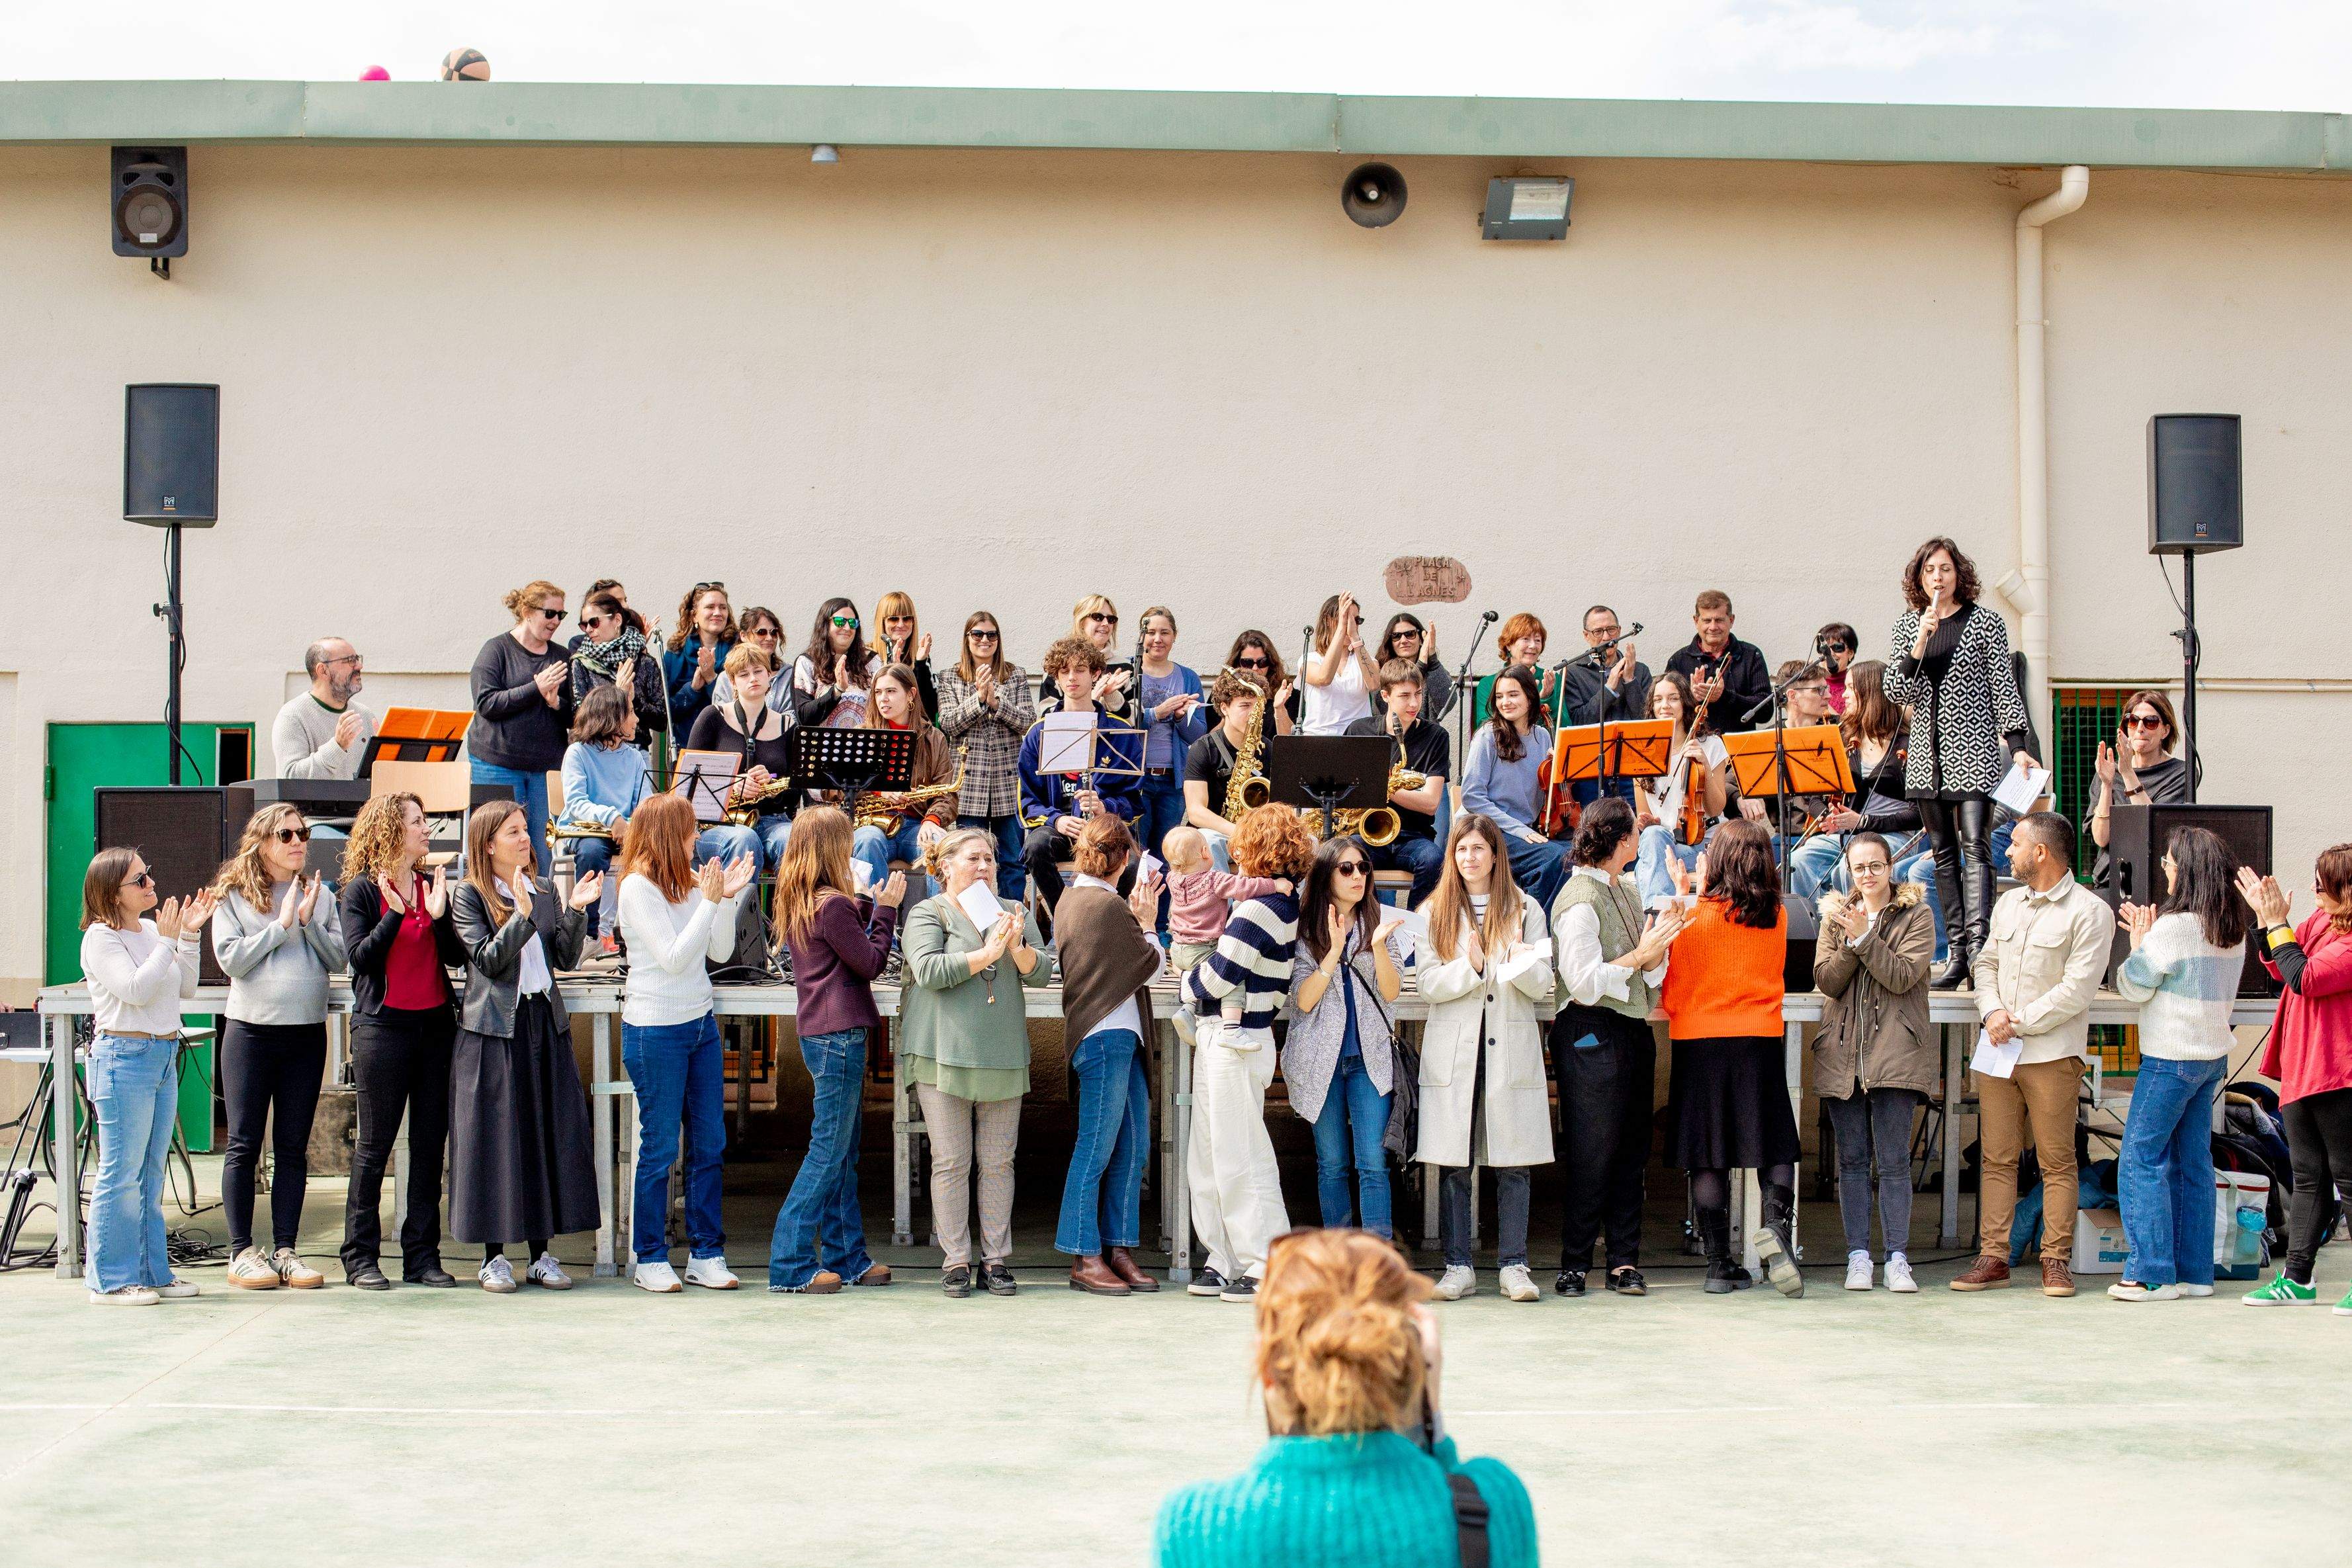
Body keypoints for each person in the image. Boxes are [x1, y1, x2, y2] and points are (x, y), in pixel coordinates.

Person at [1151, 1228, 1538, 1568]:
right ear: (1416, 1362)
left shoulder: (1196, 1526)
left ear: (1269, 1371)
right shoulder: (1493, 1504)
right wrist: (1431, 1422)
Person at [447, 800, 603, 1294]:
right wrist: (520, 916)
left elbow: (564, 955)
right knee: (497, 1141)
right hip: (494, 1030)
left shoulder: (541, 888)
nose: (524, 839)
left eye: (525, 830)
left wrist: (575, 907)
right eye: (513, 832)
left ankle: (542, 1255)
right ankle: (494, 1258)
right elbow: (488, 962)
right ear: (488, 843)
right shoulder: (468, 895)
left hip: (543, 1022)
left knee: (544, 1134)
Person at [1953, 811, 2110, 1298]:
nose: (2007, 851)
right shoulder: (2008, 904)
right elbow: (1985, 963)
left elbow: (2076, 991)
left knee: (2056, 1161)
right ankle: (1993, 1257)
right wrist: (1991, 1012)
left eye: (2015, 843)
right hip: (1999, 1048)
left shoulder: (2089, 912)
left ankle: (2054, 1259)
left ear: (2039, 852)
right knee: (1996, 1159)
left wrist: (2012, 1021)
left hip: (2049, 1055)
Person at [615, 793, 756, 1293]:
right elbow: (674, 958)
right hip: (654, 1029)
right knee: (657, 1148)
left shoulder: (689, 883)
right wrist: (711, 901)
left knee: (709, 1144)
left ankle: (706, 1252)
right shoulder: (636, 888)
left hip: (699, 1025)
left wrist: (727, 897)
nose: (698, 837)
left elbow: (716, 949)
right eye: (691, 829)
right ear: (667, 834)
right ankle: (649, 1255)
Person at [900, 828, 1049, 1297]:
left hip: (1002, 1053)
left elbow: (1043, 972)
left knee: (999, 1163)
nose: (984, 867)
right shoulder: (928, 912)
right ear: (944, 866)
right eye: (973, 859)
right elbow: (927, 970)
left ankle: (996, 1260)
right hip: (942, 1054)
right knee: (950, 1161)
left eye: (990, 859)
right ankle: (956, 1260)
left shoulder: (1012, 911)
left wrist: (1017, 949)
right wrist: (985, 953)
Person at [1882, 537, 2035, 988]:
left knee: (1975, 847)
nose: (1937, 577)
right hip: (1925, 757)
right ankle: (1957, 956)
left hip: (1973, 751)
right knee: (1942, 853)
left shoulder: (1985, 623)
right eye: (1929, 570)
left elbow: (2003, 687)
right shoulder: (1906, 626)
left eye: (1945, 569)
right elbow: (1895, 690)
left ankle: (1979, 950)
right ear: (1918, 577)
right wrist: (1918, 641)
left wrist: (2019, 744)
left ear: (1958, 574)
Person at [1414, 813, 1555, 1303]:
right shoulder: (1434, 910)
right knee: (1456, 1162)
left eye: (1478, 849)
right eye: (1461, 850)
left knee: (1512, 1161)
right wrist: (1470, 966)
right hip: (1456, 1050)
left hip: (1507, 1045)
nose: (1469, 858)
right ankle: (1458, 1266)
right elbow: (1428, 985)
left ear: (1496, 854)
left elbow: (1543, 987)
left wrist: (1518, 960)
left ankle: (1514, 1265)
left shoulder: (1525, 908)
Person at [1659, 818, 1801, 1296]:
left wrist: (1690, 893)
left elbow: (1673, 985)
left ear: (1715, 860)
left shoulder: (1690, 914)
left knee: (1707, 1155)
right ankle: (1776, 1230)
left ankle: (1718, 1264)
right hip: (1757, 1038)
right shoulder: (1776, 915)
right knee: (1775, 1146)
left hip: (1698, 1040)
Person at [2108, 826, 2249, 1301]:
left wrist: (2139, 942)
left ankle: (2149, 1273)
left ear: (2185, 871)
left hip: (2170, 1058)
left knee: (2139, 1158)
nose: (2165, 870)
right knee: (2193, 1162)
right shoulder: (2232, 929)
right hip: (2209, 1059)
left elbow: (2132, 986)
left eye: (2169, 863)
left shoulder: (2172, 928)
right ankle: (2193, 1274)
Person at [767, 806, 904, 1293]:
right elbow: (868, 962)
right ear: (833, 848)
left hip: (821, 1033)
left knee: (841, 1155)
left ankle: (848, 1258)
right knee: (828, 1154)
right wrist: (886, 910)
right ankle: (790, 1263)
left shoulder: (808, 900)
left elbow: (846, 941)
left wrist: (866, 904)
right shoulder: (832, 904)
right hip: (840, 1034)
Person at [1182, 805, 1315, 1303]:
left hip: (1237, 1039)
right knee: (1214, 1154)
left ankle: (1264, 1261)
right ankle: (1226, 1258)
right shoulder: (1277, 903)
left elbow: (1216, 978)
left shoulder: (1259, 908)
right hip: (1231, 1036)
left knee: (1238, 1154)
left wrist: (1186, 987)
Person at [1549, 799, 1682, 1299]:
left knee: (1630, 1149)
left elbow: (1647, 971)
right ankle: (1574, 1263)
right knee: (1592, 1149)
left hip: (1629, 1028)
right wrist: (1640, 956)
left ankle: (1624, 1261)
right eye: (1634, 834)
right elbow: (1582, 984)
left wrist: (1655, 952)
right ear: (1621, 841)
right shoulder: (1580, 898)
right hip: (1588, 1030)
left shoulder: (1623, 889)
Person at [210, 803, 345, 1290]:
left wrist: (307, 923)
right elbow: (231, 962)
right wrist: (280, 927)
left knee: (292, 1147)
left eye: (302, 833)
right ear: (262, 841)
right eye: (286, 834)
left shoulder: (319, 894)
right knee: (245, 1144)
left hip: (305, 1033)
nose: (297, 842)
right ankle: (241, 1251)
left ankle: (286, 1249)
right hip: (251, 1033)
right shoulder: (234, 896)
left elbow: (340, 957)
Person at [336, 793, 465, 1290]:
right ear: (391, 831)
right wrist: (394, 915)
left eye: (425, 821)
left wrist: (437, 915)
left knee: (430, 1147)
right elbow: (361, 959)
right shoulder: (362, 892)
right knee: (375, 1147)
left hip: (434, 1028)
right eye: (416, 822)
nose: (426, 829)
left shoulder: (430, 884)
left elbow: (456, 957)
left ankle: (422, 1257)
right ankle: (360, 1257)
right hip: (382, 1030)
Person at [79, 849, 215, 1304]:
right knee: (121, 1172)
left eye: (148, 874)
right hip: (123, 1057)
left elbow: (185, 987)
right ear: (112, 894)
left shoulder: (155, 931)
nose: (150, 883)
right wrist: (168, 945)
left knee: (151, 1170)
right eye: (139, 880)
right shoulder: (101, 938)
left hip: (159, 1054)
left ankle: (154, 1271)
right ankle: (110, 1281)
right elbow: (135, 990)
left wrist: (189, 938)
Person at [1811, 832, 1935, 1294]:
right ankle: (1858, 1257)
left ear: (1890, 867)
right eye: (1858, 868)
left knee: (1893, 1162)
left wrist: (1865, 936)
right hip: (1843, 1054)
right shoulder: (1833, 917)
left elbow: (1902, 976)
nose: (1867, 875)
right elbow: (1826, 980)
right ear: (1848, 871)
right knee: (1851, 1161)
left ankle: (1898, 1258)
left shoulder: (1916, 915)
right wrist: (1850, 937)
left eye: (1875, 866)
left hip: (1895, 1054)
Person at [1051, 815, 1167, 1295]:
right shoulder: (1104, 905)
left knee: (1130, 1146)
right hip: (1106, 1036)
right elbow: (1151, 968)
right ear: (1123, 859)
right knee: (1099, 1148)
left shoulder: (1072, 898)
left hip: (1115, 1036)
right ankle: (1085, 1255)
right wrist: (1148, 924)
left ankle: (1116, 1249)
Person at [2238, 846, 2352, 1307]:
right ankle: (2297, 1278)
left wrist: (2277, 924)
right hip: (2302, 1069)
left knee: (2348, 1177)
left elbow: (2303, 977)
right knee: (2307, 1177)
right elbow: (2278, 966)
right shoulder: (2321, 924)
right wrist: (2269, 921)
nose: (2314, 890)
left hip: (2338, 1072)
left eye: (2323, 883)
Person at [1288, 836, 1407, 1242]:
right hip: (1320, 1060)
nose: (1358, 876)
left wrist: (1378, 949)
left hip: (1369, 1060)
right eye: (1346, 869)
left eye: (1363, 868)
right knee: (1333, 1163)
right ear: (1326, 876)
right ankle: (1338, 1258)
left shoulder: (1378, 923)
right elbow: (1303, 1002)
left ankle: (1378, 1257)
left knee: (1374, 1163)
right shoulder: (1305, 930)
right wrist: (1332, 953)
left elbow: (1391, 993)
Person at [1019, 636, 1143, 937]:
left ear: (1095, 674)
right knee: (1036, 847)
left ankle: (1105, 927)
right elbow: (1027, 802)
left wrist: (1106, 807)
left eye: (1080, 670)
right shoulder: (1039, 732)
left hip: (1104, 830)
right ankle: (1069, 921)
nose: (1072, 678)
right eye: (1064, 672)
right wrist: (1057, 820)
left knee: (1133, 863)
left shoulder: (1120, 731)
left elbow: (1136, 800)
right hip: (1062, 829)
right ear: (1056, 678)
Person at [1787, 659, 1931, 908]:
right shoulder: (1845, 739)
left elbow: (1920, 814)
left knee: (1850, 869)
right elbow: (1813, 793)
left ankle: (1859, 936)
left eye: (1850, 688)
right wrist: (1826, 816)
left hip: (1894, 835)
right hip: (1848, 833)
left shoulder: (1908, 744)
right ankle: (1817, 934)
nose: (1843, 695)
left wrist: (1864, 822)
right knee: (1796, 863)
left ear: (1870, 693)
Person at [469, 580, 576, 874]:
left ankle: (541, 912)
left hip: (544, 768)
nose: (556, 622)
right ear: (527, 611)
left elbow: (575, 717)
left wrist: (555, 703)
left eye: (561, 616)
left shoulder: (561, 656)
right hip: (498, 763)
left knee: (540, 848)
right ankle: (494, 909)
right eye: (550, 614)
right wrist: (535, 688)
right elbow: (486, 702)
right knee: (497, 845)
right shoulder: (497, 650)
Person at [936, 610, 1039, 903]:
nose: (985, 640)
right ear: (967, 639)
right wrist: (979, 699)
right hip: (969, 784)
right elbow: (949, 723)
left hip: (1008, 782)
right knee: (969, 863)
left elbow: (1028, 722)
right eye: (978, 634)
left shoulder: (1015, 675)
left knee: (1012, 862)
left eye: (991, 634)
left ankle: (1012, 922)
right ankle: (974, 921)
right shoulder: (949, 677)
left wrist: (996, 701)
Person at [1459, 664, 1568, 911]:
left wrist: (1559, 771)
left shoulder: (1543, 736)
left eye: (1513, 695)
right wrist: (1519, 830)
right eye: (1499, 696)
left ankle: (1546, 926)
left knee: (1575, 854)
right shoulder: (1488, 735)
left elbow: (1544, 795)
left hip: (1525, 829)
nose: (1505, 702)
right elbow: (1472, 797)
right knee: (1552, 857)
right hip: (1489, 830)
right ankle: (1535, 930)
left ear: (1531, 697)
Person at [1344, 660, 1450, 907]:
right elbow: (1346, 792)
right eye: (1405, 696)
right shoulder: (1360, 730)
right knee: (1345, 856)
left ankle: (1414, 932)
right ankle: (1366, 928)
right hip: (1366, 834)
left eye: (1418, 694)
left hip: (1413, 837)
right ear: (1385, 695)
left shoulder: (1436, 737)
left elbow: (1431, 803)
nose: (1414, 703)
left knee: (1434, 860)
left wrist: (1382, 785)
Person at [849, 663, 958, 905]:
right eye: (878, 693)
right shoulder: (863, 735)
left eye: (891, 691)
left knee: (941, 845)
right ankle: (871, 931)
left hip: (916, 826)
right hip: (873, 823)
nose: (883, 699)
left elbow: (946, 794)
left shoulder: (934, 738)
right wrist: (879, 790)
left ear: (910, 695)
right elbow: (840, 790)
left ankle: (939, 926)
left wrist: (933, 820)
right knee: (867, 840)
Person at [686, 644, 797, 873]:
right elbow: (689, 784)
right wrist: (733, 785)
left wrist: (772, 781)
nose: (753, 679)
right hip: (719, 823)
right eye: (743, 674)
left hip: (773, 820)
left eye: (758, 672)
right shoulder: (712, 717)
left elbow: (794, 791)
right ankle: (739, 910)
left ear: (769, 676)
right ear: (733, 682)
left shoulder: (788, 726)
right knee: (745, 840)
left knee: (793, 840)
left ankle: (789, 909)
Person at [557, 684, 653, 939]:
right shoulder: (578, 753)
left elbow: (643, 804)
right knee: (592, 851)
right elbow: (576, 802)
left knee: (657, 849)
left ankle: (640, 934)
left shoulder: (634, 757)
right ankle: (589, 935)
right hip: (587, 832)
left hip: (627, 833)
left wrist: (631, 826)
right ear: (612, 718)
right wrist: (613, 818)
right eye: (631, 712)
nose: (636, 719)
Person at [1135, 605, 1209, 926]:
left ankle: (1165, 927)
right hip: (1135, 780)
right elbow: (1121, 722)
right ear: (1142, 638)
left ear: (1175, 636)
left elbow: (1199, 733)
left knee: (1170, 857)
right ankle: (1137, 924)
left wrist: (1180, 717)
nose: (1157, 639)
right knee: (1137, 857)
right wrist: (1157, 713)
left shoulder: (1188, 677)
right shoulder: (1131, 673)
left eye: (1164, 632)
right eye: (1151, 632)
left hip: (1172, 780)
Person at [1632, 670, 1731, 906]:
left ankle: (1657, 923)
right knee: (1653, 837)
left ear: (1686, 703)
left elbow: (1716, 809)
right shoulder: (1642, 753)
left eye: (1673, 698)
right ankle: (1662, 919)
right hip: (1665, 844)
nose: (1665, 705)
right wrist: (1646, 823)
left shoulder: (1711, 745)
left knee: (1650, 864)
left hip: (1705, 845)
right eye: (1658, 700)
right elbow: (1644, 818)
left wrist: (1704, 765)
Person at [2089, 689, 2190, 892]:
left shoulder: (2181, 773)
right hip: (2111, 882)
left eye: (2150, 722)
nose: (2140, 729)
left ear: (2165, 730)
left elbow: (2153, 831)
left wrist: (2128, 774)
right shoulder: (2110, 770)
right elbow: (2101, 838)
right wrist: (2108, 785)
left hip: (2155, 881)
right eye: (2133, 721)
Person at [1163, 824, 1289, 979]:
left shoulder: (1173, 879)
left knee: (1195, 983)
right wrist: (1275, 885)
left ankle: (1188, 1000)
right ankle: (1232, 1004)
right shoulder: (1215, 880)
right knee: (1232, 977)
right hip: (1204, 950)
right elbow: (1245, 888)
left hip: (1178, 949)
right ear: (1205, 852)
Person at [1553, 605, 1652, 793]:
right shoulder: (1572, 673)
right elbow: (1578, 722)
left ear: (1620, 631)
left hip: (1632, 770)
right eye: (1598, 631)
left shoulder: (1640, 670)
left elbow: (1646, 721)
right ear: (1586, 635)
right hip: (1590, 771)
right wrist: (1610, 688)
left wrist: (1630, 680)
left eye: (1611, 630)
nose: (1606, 637)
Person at [1181, 670, 1269, 869]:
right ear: (1225, 708)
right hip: (1217, 833)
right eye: (1245, 706)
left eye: (1257, 708)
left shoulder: (1267, 748)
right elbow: (1196, 812)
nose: (1254, 714)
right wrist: (1238, 831)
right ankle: (1220, 900)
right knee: (1210, 839)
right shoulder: (1202, 748)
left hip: (1256, 835)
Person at [1663, 589, 1772, 734]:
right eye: (1707, 620)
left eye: (1719, 620)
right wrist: (1692, 699)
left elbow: (1766, 712)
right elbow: (1665, 713)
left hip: (1737, 750)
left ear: (1731, 620)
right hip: (1693, 748)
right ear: (1696, 621)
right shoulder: (1678, 660)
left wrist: (1725, 696)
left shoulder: (1752, 656)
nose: (1713, 627)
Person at [570, 588, 668, 746]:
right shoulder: (581, 662)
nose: (588, 629)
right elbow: (580, 717)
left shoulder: (645, 663)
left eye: (594, 622)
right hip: (596, 749)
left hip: (636, 750)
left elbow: (661, 721)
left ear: (617, 620)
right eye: (584, 625)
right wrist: (619, 695)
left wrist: (634, 701)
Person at [273, 637, 377, 779]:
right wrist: (338, 746)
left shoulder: (365, 715)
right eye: (350, 660)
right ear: (323, 670)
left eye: (358, 659)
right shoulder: (292, 716)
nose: (359, 666)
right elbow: (291, 777)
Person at [1043, 594, 1141, 730]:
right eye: (1098, 617)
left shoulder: (1124, 667)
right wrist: (1089, 701)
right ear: (1081, 621)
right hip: (1069, 744)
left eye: (1111, 619)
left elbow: (1137, 720)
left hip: (1112, 746)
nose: (1106, 623)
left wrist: (1112, 695)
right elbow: (1045, 718)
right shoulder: (1059, 663)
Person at [793, 596, 881, 730]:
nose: (847, 627)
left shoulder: (872, 661)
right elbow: (803, 717)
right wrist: (837, 691)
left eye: (853, 623)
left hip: (864, 746)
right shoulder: (808, 662)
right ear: (825, 625)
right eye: (840, 622)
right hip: (823, 748)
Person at [663, 580, 738, 735]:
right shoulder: (675, 653)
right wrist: (692, 689)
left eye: (723, 608)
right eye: (710, 607)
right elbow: (665, 713)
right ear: (694, 616)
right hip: (686, 747)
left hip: (727, 745)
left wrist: (712, 679)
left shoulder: (738, 651)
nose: (718, 613)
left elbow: (741, 708)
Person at [1301, 592, 1380, 736]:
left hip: (1357, 739)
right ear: (1328, 621)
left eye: (1356, 620)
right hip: (1319, 740)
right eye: (1344, 618)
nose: (1352, 624)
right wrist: (1341, 628)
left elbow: (1374, 684)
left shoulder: (1365, 660)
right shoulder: (1310, 659)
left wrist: (1354, 636)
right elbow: (1324, 678)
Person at [1467, 613, 1561, 728]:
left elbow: (1565, 727)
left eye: (1538, 640)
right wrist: (1533, 702)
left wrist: (1548, 699)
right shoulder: (1488, 683)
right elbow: (1487, 727)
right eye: (1526, 639)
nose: (1533, 646)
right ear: (1508, 645)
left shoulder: (1551, 680)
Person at [870, 590, 941, 723]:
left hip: (911, 735)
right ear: (883, 622)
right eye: (894, 619)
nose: (901, 625)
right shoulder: (869, 656)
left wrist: (920, 664)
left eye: (907, 618)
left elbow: (930, 710)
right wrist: (892, 669)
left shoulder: (919, 657)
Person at [712, 604, 794, 714]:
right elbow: (721, 720)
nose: (769, 638)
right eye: (761, 632)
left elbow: (791, 718)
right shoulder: (726, 679)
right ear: (743, 636)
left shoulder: (789, 675)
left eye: (774, 632)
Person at [1372, 612, 1450, 724]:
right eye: (1396, 636)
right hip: (1393, 738)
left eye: (1410, 634)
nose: (1403, 640)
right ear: (1390, 642)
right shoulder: (1381, 670)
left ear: (1420, 640)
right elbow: (1382, 708)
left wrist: (1432, 659)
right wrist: (1421, 664)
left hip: (1427, 739)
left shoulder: (1434, 670)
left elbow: (1446, 705)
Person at [1221, 631, 1297, 742]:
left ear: (1271, 663)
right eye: (1248, 663)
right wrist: (1228, 715)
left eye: (1262, 662)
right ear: (1237, 663)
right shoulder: (1224, 692)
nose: (1255, 668)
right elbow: (1211, 739)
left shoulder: (1288, 694)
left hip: (1272, 758)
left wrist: (1279, 709)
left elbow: (1291, 745)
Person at [1816, 621, 1860, 714]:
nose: (1830, 653)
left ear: (1850, 653)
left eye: (1837, 647)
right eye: (1824, 648)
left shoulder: (1857, 685)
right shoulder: (1813, 685)